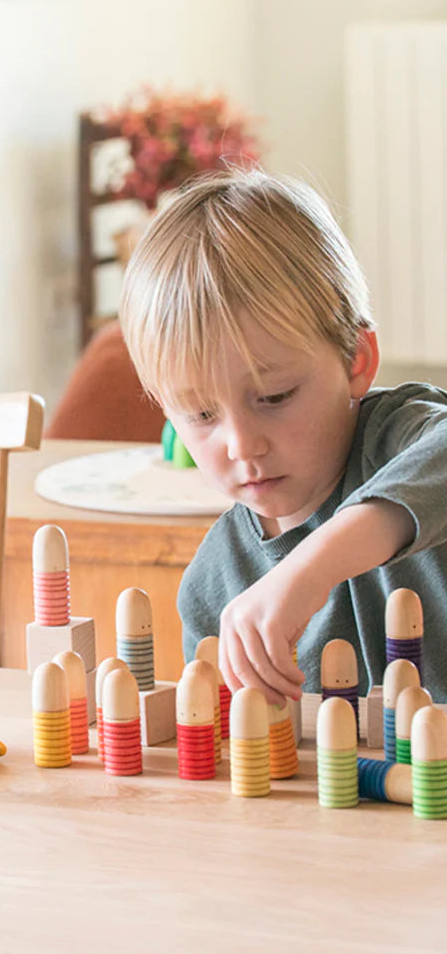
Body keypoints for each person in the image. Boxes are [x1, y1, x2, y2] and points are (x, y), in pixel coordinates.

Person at [119, 169, 447, 704]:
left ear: (355, 362)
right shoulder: (212, 588)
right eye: (201, 413)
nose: (242, 445)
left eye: (273, 397)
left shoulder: (400, 437)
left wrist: (311, 568)